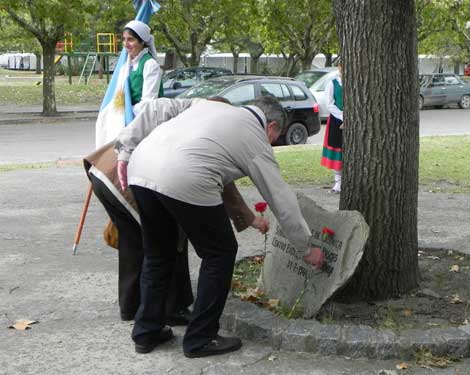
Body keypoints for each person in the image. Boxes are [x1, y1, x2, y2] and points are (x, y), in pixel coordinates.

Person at [125, 96, 325, 357]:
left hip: (140, 167)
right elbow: (279, 195)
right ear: (271, 125)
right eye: (275, 137)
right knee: (220, 253)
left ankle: (146, 332)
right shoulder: (253, 133)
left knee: (158, 255)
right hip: (184, 176)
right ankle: (201, 338)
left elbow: (153, 107)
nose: (273, 143)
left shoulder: (210, 108)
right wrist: (305, 247)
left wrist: (124, 149)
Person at [85, 97, 259, 326]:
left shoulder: (190, 119)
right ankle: (171, 308)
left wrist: (248, 218)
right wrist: (249, 218)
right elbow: (224, 187)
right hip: (125, 177)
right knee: (167, 245)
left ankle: (132, 308)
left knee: (135, 244)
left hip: (103, 170)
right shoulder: (207, 132)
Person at [95, 20, 163, 148]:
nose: (126, 44)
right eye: (124, 39)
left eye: (130, 40)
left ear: (142, 41)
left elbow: (148, 103)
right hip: (127, 121)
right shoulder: (126, 64)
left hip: (143, 124)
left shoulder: (150, 64)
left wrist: (125, 113)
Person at [320, 58, 343, 193]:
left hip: (353, 120)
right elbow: (329, 104)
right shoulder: (332, 83)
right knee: (338, 150)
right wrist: (343, 117)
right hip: (336, 120)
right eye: (342, 66)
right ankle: (338, 183)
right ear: (339, 67)